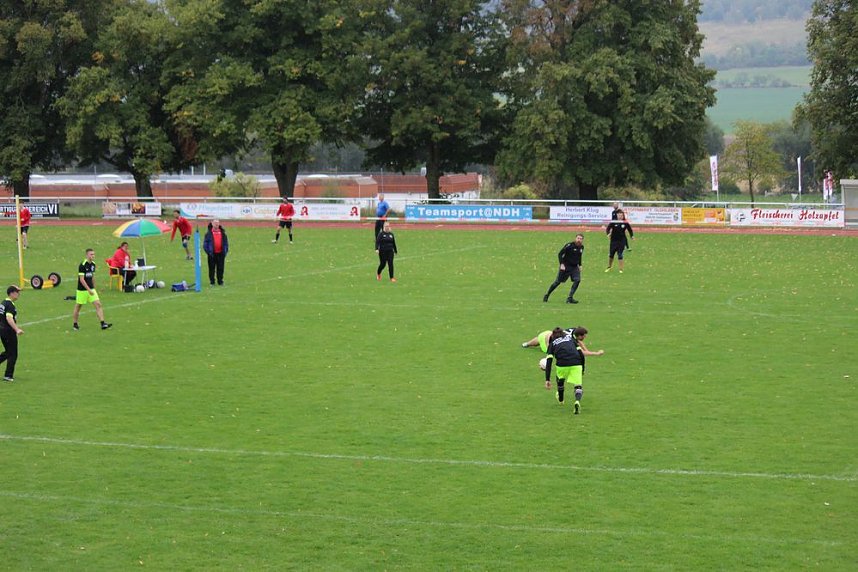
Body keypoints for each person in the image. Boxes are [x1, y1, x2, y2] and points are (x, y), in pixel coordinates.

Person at [543, 326, 604, 414]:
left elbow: (549, 361)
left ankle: (561, 399)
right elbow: (581, 354)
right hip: (576, 363)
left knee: (560, 379)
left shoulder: (552, 343)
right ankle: (577, 401)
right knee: (578, 385)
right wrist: (582, 368)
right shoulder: (571, 339)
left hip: (562, 364)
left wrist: (547, 379)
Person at [73, 248, 112, 331]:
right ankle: (75, 324)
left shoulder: (93, 264)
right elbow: (82, 280)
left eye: (93, 254)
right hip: (82, 290)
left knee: (98, 304)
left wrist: (94, 288)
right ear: (87, 255)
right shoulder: (82, 265)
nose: (93, 256)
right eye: (91, 254)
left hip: (91, 289)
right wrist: (88, 290)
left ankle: (103, 323)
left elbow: (92, 277)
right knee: (78, 306)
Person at [543, 233, 585, 304]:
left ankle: (570, 298)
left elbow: (579, 256)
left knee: (577, 280)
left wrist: (580, 265)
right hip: (566, 267)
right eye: (578, 238)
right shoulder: (569, 246)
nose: (579, 240)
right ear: (575, 238)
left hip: (574, 267)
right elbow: (560, 254)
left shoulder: (581, 247)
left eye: (581, 239)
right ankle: (547, 294)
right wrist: (562, 264)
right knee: (557, 282)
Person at [0, 285, 24, 382]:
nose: (19, 294)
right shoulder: (10, 305)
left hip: (2, 331)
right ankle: (8, 375)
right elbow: (9, 318)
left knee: (8, 352)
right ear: (12, 293)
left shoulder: (3, 303)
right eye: (17, 292)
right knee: (13, 353)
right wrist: (17, 329)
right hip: (8, 332)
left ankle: (8, 374)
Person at [203, 219, 229, 286]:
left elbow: (226, 243)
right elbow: (205, 244)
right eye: (215, 223)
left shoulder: (223, 233)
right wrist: (208, 252)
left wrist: (225, 251)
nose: (216, 224)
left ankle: (220, 281)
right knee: (211, 268)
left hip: (221, 254)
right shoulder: (208, 234)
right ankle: (212, 282)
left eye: (217, 223)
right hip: (212, 254)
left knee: (220, 268)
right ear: (212, 224)